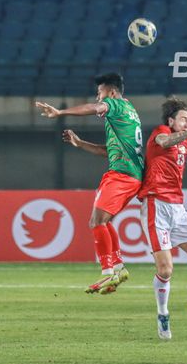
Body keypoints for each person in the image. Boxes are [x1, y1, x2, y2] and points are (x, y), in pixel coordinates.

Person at [35, 73, 143, 294]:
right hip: (130, 174)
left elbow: (94, 108)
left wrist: (60, 112)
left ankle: (107, 273)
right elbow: (109, 152)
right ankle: (119, 268)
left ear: (111, 93)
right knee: (105, 221)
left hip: (122, 175)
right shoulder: (128, 111)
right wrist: (80, 143)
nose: (98, 98)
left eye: (100, 93)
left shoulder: (115, 105)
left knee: (96, 222)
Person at [136, 96, 187, 340]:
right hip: (155, 205)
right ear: (171, 120)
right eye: (183, 119)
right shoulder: (160, 133)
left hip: (177, 208)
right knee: (166, 269)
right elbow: (164, 142)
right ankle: (162, 314)